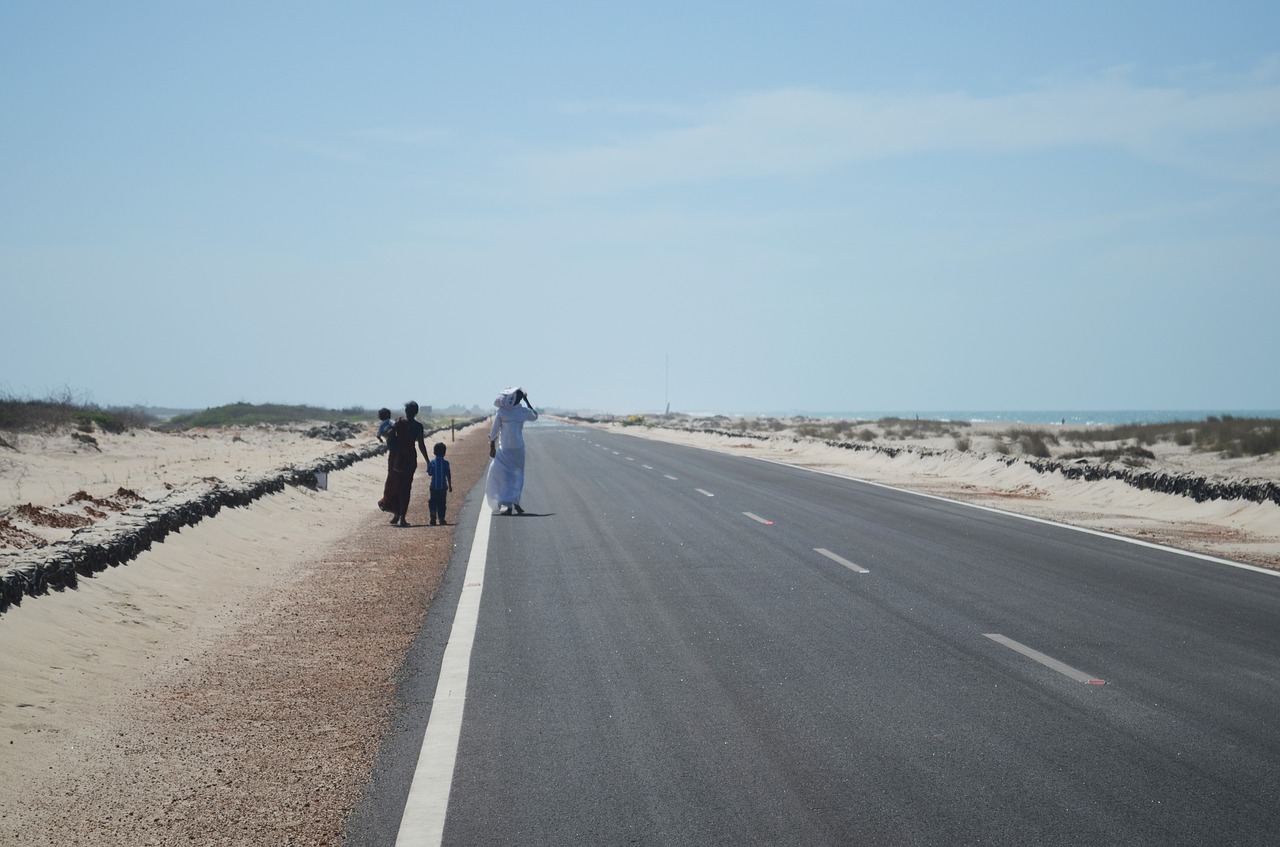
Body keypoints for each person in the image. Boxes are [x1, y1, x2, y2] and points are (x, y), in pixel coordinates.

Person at [486, 386, 538, 516]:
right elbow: (535, 416)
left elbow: (493, 431)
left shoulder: (502, 412)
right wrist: (527, 401)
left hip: (505, 449)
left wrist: (492, 446)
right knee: (518, 476)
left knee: (504, 476)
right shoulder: (522, 411)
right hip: (518, 449)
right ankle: (515, 503)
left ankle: (509, 505)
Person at [390, 401, 431, 527]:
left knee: (396, 484)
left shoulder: (399, 423)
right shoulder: (418, 426)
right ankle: (402, 517)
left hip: (398, 457)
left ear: (406, 411)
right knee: (406, 487)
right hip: (410, 457)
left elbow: (390, 437)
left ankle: (396, 513)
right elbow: (421, 445)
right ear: (416, 412)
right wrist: (428, 461)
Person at [376, 407, 399, 513]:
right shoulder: (391, 421)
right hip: (396, 447)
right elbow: (395, 427)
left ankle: (388, 503)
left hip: (392, 449)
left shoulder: (382, 425)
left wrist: (381, 439)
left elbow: (379, 435)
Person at [426, 442, 453, 526]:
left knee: (433, 501)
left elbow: (430, 473)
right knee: (442, 502)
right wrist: (450, 485)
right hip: (443, 486)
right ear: (444, 453)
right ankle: (441, 518)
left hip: (434, 486)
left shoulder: (432, 463)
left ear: (434, 452)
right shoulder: (446, 463)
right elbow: (448, 474)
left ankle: (433, 516)